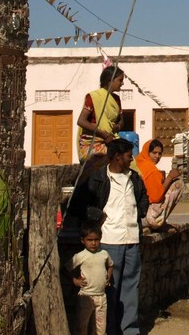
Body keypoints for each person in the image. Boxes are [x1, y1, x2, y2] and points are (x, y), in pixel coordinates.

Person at [75, 138, 149, 335]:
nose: (131, 159)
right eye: (128, 156)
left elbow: (143, 199)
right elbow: (79, 205)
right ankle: (110, 330)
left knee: (131, 287)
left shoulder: (134, 178)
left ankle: (130, 330)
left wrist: (140, 211)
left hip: (132, 239)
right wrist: (97, 216)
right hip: (109, 240)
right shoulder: (98, 179)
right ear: (117, 157)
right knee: (110, 289)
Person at [65, 223, 113, 335]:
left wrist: (108, 277)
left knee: (100, 329)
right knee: (82, 327)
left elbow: (110, 265)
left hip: (101, 297)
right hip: (85, 297)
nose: (93, 243)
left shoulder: (104, 254)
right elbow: (65, 269)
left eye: (96, 240)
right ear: (83, 241)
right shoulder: (81, 256)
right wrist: (75, 281)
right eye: (89, 240)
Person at [77, 66, 125, 171]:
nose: (122, 83)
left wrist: (118, 126)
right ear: (109, 81)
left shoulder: (116, 99)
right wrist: (103, 134)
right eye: (120, 80)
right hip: (96, 143)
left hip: (112, 140)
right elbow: (81, 121)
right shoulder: (93, 97)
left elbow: (121, 120)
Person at [134, 138, 184, 231]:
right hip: (148, 216)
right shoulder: (151, 169)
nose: (157, 156)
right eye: (154, 152)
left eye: (160, 153)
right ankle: (159, 222)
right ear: (147, 152)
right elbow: (156, 197)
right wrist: (170, 178)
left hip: (136, 215)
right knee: (178, 184)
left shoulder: (138, 163)